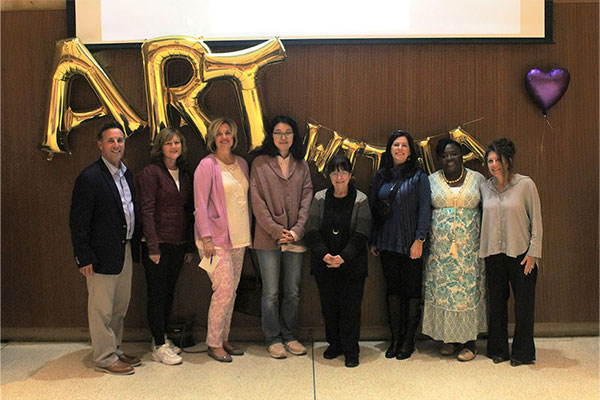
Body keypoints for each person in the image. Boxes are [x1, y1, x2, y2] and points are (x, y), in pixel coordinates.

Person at [69, 121, 141, 375]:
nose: (116, 145)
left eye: (120, 140)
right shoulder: (89, 177)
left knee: (119, 307)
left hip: (124, 250)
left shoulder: (126, 174)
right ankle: (104, 357)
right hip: (99, 256)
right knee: (101, 310)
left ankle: (115, 349)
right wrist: (83, 256)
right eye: (110, 140)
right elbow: (78, 221)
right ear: (100, 145)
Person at [250, 115, 313, 359]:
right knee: (270, 293)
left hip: (296, 238)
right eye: (278, 132)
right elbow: (256, 201)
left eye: (288, 132)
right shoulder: (260, 163)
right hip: (267, 238)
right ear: (271, 136)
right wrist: (277, 230)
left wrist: (296, 231)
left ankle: (290, 335)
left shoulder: (301, 164)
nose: (283, 137)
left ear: (294, 136)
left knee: (292, 291)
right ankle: (273, 338)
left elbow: (307, 199)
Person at [421, 138, 487, 362]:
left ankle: (469, 343)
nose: (449, 158)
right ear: (439, 159)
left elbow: (488, 210)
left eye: (454, 154)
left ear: (462, 156)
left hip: (469, 252)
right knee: (445, 295)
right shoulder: (431, 180)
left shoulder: (478, 179)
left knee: (467, 295)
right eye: (445, 155)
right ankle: (450, 339)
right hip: (440, 254)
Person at [480, 138, 542, 367]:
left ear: (508, 160)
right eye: (490, 161)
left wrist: (533, 253)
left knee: (524, 306)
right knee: (496, 305)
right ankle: (498, 350)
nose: (494, 165)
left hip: (521, 255)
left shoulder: (525, 185)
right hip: (493, 255)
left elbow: (536, 221)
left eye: (498, 160)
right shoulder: (484, 188)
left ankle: (523, 353)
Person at [369, 130, 431, 360]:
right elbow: (374, 209)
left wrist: (419, 239)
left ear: (410, 151)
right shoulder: (381, 176)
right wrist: (374, 239)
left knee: (412, 292)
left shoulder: (419, 177)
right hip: (387, 243)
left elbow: (424, 210)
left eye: (404, 145)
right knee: (393, 291)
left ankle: (408, 340)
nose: (400, 149)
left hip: (411, 244)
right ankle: (395, 339)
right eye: (396, 145)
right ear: (390, 149)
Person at [194, 117, 251, 363]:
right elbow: (199, 206)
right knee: (223, 290)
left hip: (239, 239)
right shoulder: (206, 165)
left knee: (232, 292)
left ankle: (224, 338)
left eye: (228, 132)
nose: (224, 137)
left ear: (233, 136)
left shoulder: (242, 164)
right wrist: (206, 238)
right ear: (212, 138)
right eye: (219, 133)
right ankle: (214, 343)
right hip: (214, 242)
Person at [306, 155, 371, 368]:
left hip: (352, 266)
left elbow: (362, 233)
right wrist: (325, 255)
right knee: (329, 308)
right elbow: (312, 230)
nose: (339, 176)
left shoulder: (360, 199)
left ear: (351, 175)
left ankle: (351, 350)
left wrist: (343, 257)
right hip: (324, 265)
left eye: (343, 171)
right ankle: (334, 345)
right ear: (329, 176)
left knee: (350, 310)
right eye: (334, 172)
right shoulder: (320, 197)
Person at [139, 127, 194, 365]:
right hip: (157, 244)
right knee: (157, 295)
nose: (173, 147)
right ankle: (159, 345)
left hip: (178, 244)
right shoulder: (151, 173)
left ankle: (160, 338)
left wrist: (189, 246)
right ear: (160, 148)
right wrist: (153, 246)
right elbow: (146, 210)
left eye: (177, 143)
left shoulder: (185, 175)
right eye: (168, 143)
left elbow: (189, 211)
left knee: (169, 293)